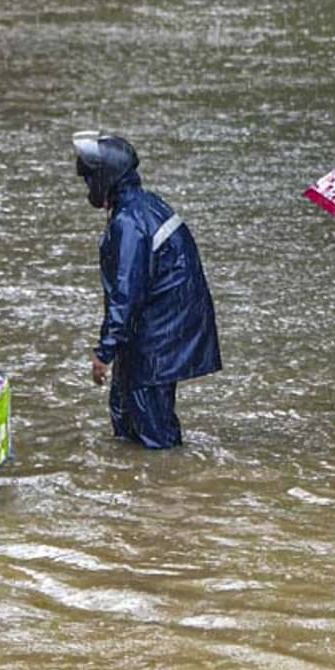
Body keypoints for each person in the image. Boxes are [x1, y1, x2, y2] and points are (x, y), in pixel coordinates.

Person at [74, 132, 222, 449]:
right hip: (160, 330)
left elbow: (125, 293)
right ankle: (140, 486)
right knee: (126, 414)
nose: (88, 187)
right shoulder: (147, 204)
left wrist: (104, 351)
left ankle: (165, 487)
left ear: (105, 179)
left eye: (90, 179)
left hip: (158, 338)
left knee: (152, 430)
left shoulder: (129, 222)